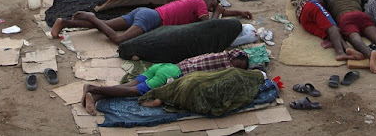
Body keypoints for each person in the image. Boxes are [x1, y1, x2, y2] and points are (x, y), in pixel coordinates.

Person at [80, 49, 249, 114]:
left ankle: (95, 96)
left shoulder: (220, 54)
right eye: (239, 65)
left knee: (128, 86)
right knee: (134, 91)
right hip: (172, 74)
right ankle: (93, 87)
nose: (238, 69)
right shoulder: (226, 64)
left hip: (165, 67)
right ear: (234, 59)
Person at [49, 0, 253, 44]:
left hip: (145, 12)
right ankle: (91, 16)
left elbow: (222, 14)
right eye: (212, 6)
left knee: (105, 26)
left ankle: (64, 22)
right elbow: (209, 25)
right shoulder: (200, 3)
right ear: (208, 0)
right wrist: (216, 11)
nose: (210, 10)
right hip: (152, 19)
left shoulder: (197, 3)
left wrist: (238, 13)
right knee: (118, 39)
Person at [291, 0, 361, 61]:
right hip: (312, 5)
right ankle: (340, 52)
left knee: (330, 32)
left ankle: (346, 49)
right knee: (332, 27)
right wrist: (327, 12)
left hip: (302, 19)